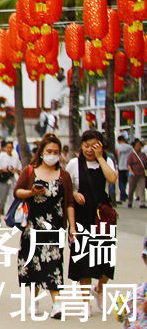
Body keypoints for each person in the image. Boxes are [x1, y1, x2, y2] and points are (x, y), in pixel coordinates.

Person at [14, 134, 75, 319]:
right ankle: (34, 300)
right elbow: (18, 191)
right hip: (33, 225)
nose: (52, 155)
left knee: (54, 263)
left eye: (56, 152)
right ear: (41, 152)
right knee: (32, 262)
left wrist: (72, 227)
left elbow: (69, 202)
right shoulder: (30, 171)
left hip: (55, 226)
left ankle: (57, 304)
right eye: (49, 151)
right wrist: (31, 192)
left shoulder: (64, 175)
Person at [66, 129, 118, 314]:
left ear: (100, 146)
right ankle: (85, 301)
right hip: (82, 215)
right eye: (86, 146)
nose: (89, 150)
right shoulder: (73, 164)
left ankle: (100, 288)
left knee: (106, 259)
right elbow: (65, 188)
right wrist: (74, 194)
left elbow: (112, 178)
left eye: (94, 146)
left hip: (102, 215)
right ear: (81, 146)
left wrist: (101, 157)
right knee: (83, 260)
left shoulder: (107, 161)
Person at [0, 140, 22, 219]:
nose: (9, 149)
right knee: (1, 200)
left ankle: (11, 216)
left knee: (13, 199)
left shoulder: (15, 157)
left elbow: (19, 168)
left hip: (12, 179)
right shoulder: (1, 156)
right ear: (5, 148)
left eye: (11, 148)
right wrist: (6, 170)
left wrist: (14, 171)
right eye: (8, 147)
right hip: (3, 179)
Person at [129, 139, 147, 208]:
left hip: (142, 174)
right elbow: (129, 164)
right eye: (137, 145)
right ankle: (130, 201)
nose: (139, 147)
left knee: (142, 188)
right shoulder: (131, 155)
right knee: (131, 189)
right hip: (133, 174)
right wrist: (131, 171)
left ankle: (142, 203)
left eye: (140, 145)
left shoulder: (143, 155)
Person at [117, 135, 134, 205]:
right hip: (128, 167)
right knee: (125, 181)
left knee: (120, 181)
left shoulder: (117, 147)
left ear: (118, 140)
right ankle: (123, 194)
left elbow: (117, 155)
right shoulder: (130, 147)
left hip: (120, 166)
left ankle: (123, 193)